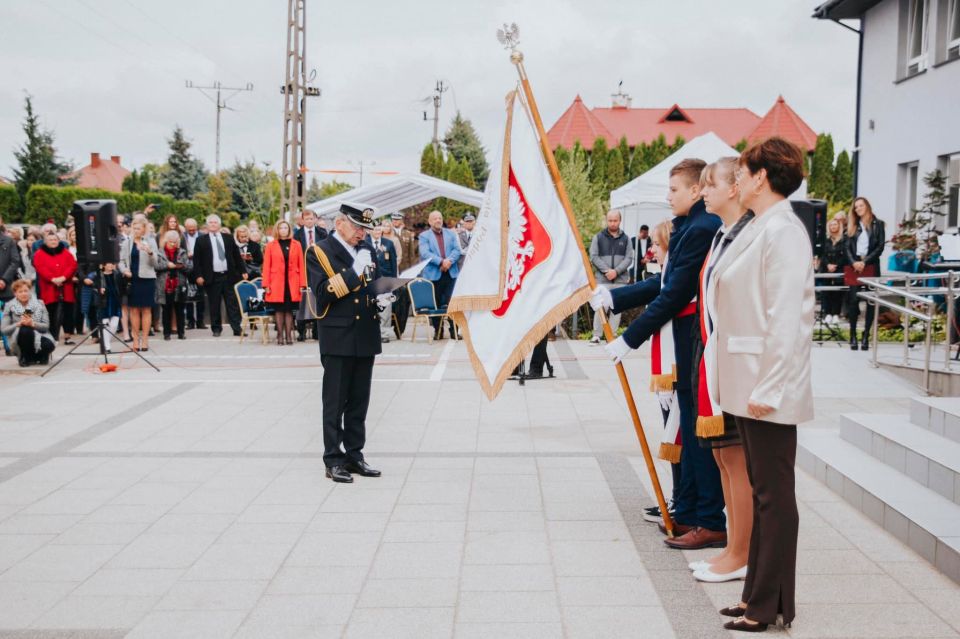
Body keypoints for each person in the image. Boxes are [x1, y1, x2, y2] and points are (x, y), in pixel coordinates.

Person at [591, 158, 725, 550]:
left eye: (674, 190)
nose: (668, 198)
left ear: (696, 190)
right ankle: (688, 510)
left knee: (697, 433)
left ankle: (709, 518)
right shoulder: (690, 226)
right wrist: (614, 297)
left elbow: (675, 292)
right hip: (683, 339)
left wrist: (630, 338)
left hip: (694, 338)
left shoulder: (702, 228)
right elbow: (662, 282)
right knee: (684, 429)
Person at [707, 137, 812, 632]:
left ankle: (768, 606)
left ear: (761, 178)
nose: (738, 180)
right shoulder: (762, 226)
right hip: (747, 382)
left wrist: (770, 389)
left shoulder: (784, 232)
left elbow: (786, 319)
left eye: (743, 172)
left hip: (767, 387)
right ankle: (756, 596)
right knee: (763, 488)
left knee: (773, 495)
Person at [690, 158, 756, 584]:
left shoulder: (749, 235)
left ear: (734, 188)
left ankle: (741, 553)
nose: (703, 191)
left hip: (736, 360)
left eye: (709, 184)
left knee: (735, 458)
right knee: (721, 455)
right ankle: (733, 547)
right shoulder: (722, 235)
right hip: (715, 356)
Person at [305, 203, 383, 483]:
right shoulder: (319, 252)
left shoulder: (367, 250)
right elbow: (323, 294)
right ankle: (333, 458)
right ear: (340, 224)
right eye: (358, 227)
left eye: (365, 229)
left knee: (359, 400)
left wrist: (383, 296)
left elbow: (372, 284)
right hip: (338, 334)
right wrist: (353, 273)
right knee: (335, 400)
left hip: (365, 332)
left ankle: (355, 455)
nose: (362, 233)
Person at [192, 214, 245, 337]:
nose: (213, 224)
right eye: (210, 222)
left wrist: (243, 271)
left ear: (219, 225)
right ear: (207, 225)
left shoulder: (228, 238)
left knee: (232, 304)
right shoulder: (201, 240)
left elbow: (236, 255)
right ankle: (216, 329)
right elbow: (196, 260)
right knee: (214, 304)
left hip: (228, 276)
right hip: (212, 277)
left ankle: (237, 328)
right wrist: (198, 276)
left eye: (215, 222)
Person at [845, 196, 884, 351]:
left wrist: (865, 261)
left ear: (867, 206)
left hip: (870, 265)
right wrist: (854, 262)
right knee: (853, 302)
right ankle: (853, 335)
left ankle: (866, 335)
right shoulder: (852, 225)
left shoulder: (877, 224)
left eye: (861, 206)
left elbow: (880, 247)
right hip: (854, 265)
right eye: (856, 207)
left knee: (870, 302)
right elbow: (847, 247)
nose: (858, 209)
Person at [588, 209, 633, 344]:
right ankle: (596, 335)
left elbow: (629, 258)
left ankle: (611, 335)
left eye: (615, 220)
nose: (613, 223)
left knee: (616, 308)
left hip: (620, 279)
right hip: (603, 279)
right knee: (600, 306)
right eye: (610, 220)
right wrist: (607, 270)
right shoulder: (598, 237)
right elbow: (593, 256)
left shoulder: (626, 239)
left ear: (620, 221)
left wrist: (617, 271)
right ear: (607, 220)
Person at [418, 210, 461, 339]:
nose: (438, 220)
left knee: (453, 303)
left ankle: (454, 330)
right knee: (435, 304)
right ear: (430, 221)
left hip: (450, 274)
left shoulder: (451, 234)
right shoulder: (424, 236)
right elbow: (425, 253)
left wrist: (449, 261)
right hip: (434, 275)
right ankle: (438, 330)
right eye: (435, 218)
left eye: (440, 218)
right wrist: (441, 262)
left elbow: (457, 250)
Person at [262, 220, 306, 345]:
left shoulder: (296, 244)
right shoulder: (271, 245)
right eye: (280, 228)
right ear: (277, 230)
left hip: (292, 282)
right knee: (279, 310)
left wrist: (302, 284)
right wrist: (266, 285)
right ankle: (280, 335)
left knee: (289, 310)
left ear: (289, 229)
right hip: (276, 283)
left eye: (285, 227)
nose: (283, 230)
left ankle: (289, 336)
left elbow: (301, 265)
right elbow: (266, 266)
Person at [119, 219, 160, 351]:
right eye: (134, 228)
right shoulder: (127, 242)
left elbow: (156, 263)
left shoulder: (151, 241)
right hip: (132, 279)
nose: (135, 231)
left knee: (146, 309)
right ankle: (136, 340)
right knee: (134, 310)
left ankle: (145, 341)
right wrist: (125, 270)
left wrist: (150, 252)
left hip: (147, 279)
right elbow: (120, 261)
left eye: (138, 228)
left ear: (144, 229)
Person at [32, 231, 78, 343]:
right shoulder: (39, 254)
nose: (53, 242)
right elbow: (40, 267)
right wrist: (52, 279)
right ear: (45, 242)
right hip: (49, 288)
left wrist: (63, 277)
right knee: (51, 312)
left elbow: (72, 265)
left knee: (68, 311)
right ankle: (53, 335)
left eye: (55, 240)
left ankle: (67, 335)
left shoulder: (66, 253)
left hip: (65, 286)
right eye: (50, 240)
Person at [1, 279, 55, 366]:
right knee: (25, 330)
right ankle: (25, 357)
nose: (23, 294)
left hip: (40, 335)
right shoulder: (9, 306)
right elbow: (4, 330)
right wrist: (18, 324)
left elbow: (46, 326)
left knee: (48, 345)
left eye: (26, 291)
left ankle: (41, 356)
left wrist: (33, 324)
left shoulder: (39, 303)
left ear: (30, 291)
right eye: (20, 291)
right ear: (15, 294)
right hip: (19, 337)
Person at [156, 230, 191, 341]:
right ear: (166, 241)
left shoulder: (182, 252)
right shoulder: (159, 252)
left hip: (180, 284)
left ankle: (181, 333)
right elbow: (156, 266)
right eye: (171, 242)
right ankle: (167, 333)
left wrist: (182, 266)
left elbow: (189, 267)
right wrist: (167, 265)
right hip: (164, 285)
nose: (173, 244)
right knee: (166, 310)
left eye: (175, 242)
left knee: (180, 310)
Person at [370, 225, 398, 343]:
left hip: (385, 278)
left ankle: (384, 333)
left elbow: (393, 262)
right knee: (370, 306)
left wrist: (393, 281)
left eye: (379, 229)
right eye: (375, 229)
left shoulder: (388, 243)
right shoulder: (364, 243)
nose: (377, 231)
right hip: (370, 279)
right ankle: (371, 332)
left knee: (386, 306)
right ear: (370, 231)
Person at [87, 262, 123, 353]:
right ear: (103, 265)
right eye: (108, 264)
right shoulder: (98, 275)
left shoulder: (117, 275)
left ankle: (104, 340)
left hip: (115, 302)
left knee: (114, 325)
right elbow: (93, 287)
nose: (111, 265)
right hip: (104, 303)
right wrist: (99, 289)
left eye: (112, 264)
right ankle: (107, 346)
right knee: (105, 325)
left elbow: (121, 287)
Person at [820, 216, 847, 326]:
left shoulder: (844, 240)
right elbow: (823, 255)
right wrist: (828, 265)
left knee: (837, 293)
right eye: (831, 225)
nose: (833, 226)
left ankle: (836, 314)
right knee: (826, 293)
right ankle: (827, 314)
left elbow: (845, 255)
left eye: (835, 224)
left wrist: (836, 265)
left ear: (839, 226)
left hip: (839, 269)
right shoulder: (825, 241)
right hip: (827, 269)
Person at [182, 217, 206, 330]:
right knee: (188, 296)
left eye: (193, 229)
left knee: (201, 295)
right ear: (185, 228)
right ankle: (190, 321)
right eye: (189, 229)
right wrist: (187, 255)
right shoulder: (182, 237)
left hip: (200, 268)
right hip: (187, 268)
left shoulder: (202, 236)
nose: (192, 231)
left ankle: (200, 321)